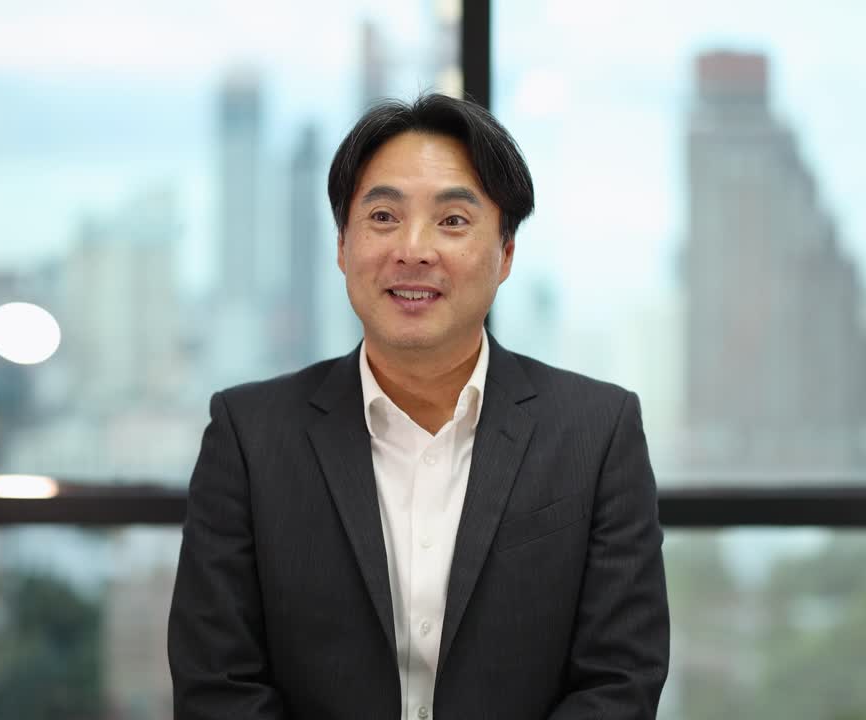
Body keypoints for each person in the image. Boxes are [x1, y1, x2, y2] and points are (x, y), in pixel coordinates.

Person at [168, 93, 669, 720]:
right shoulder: (249, 436)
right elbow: (218, 684)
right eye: (382, 216)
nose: (413, 249)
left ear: (506, 254)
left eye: (453, 221)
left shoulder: (597, 433)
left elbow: (619, 682)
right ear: (343, 246)